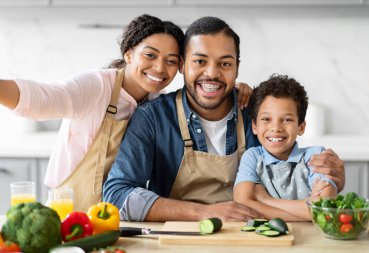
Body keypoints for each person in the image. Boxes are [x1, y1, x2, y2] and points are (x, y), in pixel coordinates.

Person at [103, 16, 345, 222]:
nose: (212, 73)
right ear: (182, 65)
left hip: (255, 238)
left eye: (225, 63)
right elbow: (116, 195)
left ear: (237, 68)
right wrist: (202, 213)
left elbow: (291, 176)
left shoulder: (257, 115)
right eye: (200, 61)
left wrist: (330, 178)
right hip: (178, 240)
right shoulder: (153, 118)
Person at [0, 14, 184, 212]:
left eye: (171, 61)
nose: (159, 67)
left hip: (121, 220)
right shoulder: (97, 86)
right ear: (129, 54)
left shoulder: (159, 103)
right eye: (150, 55)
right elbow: (44, 98)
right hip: (69, 213)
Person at [233, 74, 337, 221]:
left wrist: (266, 200)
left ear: (301, 127)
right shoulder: (252, 157)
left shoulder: (316, 157)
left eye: (287, 120)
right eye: (266, 119)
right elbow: (243, 205)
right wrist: (308, 214)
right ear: (255, 126)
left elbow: (324, 209)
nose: (276, 128)